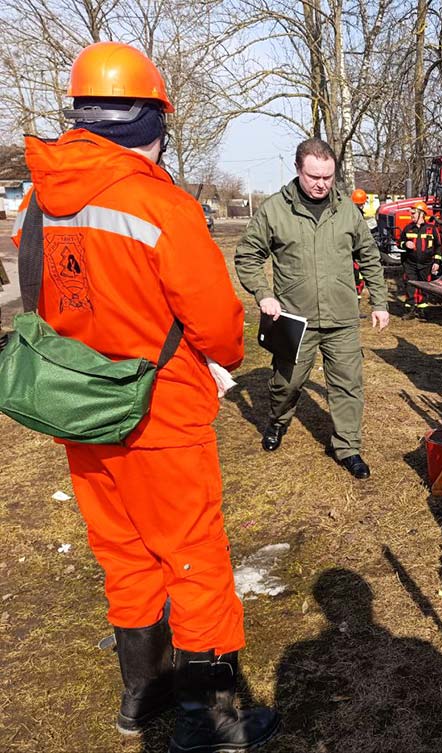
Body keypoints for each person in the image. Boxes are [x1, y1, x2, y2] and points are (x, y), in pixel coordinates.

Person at [10, 42, 278, 752]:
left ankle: (143, 694)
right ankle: (212, 721)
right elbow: (220, 326)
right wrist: (221, 358)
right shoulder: (160, 203)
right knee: (193, 561)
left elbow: (39, 293)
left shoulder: (37, 201)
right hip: (159, 416)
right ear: (148, 118)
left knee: (123, 553)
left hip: (76, 408)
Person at [235, 139, 389, 480]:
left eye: (328, 177)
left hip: (342, 318)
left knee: (348, 385)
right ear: (298, 170)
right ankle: (277, 421)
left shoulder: (346, 210)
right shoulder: (275, 210)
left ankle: (347, 447)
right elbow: (247, 256)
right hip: (294, 319)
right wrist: (263, 293)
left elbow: (369, 256)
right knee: (286, 384)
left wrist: (379, 301)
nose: (321, 183)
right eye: (313, 176)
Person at [398, 201, 442, 319]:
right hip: (410, 264)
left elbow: (438, 246)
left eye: (413, 213)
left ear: (421, 214)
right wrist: (405, 244)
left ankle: (423, 309)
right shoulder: (408, 228)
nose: (411, 215)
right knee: (410, 285)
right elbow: (399, 243)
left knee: (424, 286)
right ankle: (411, 310)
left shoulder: (431, 229)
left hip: (426, 264)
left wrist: (437, 262)